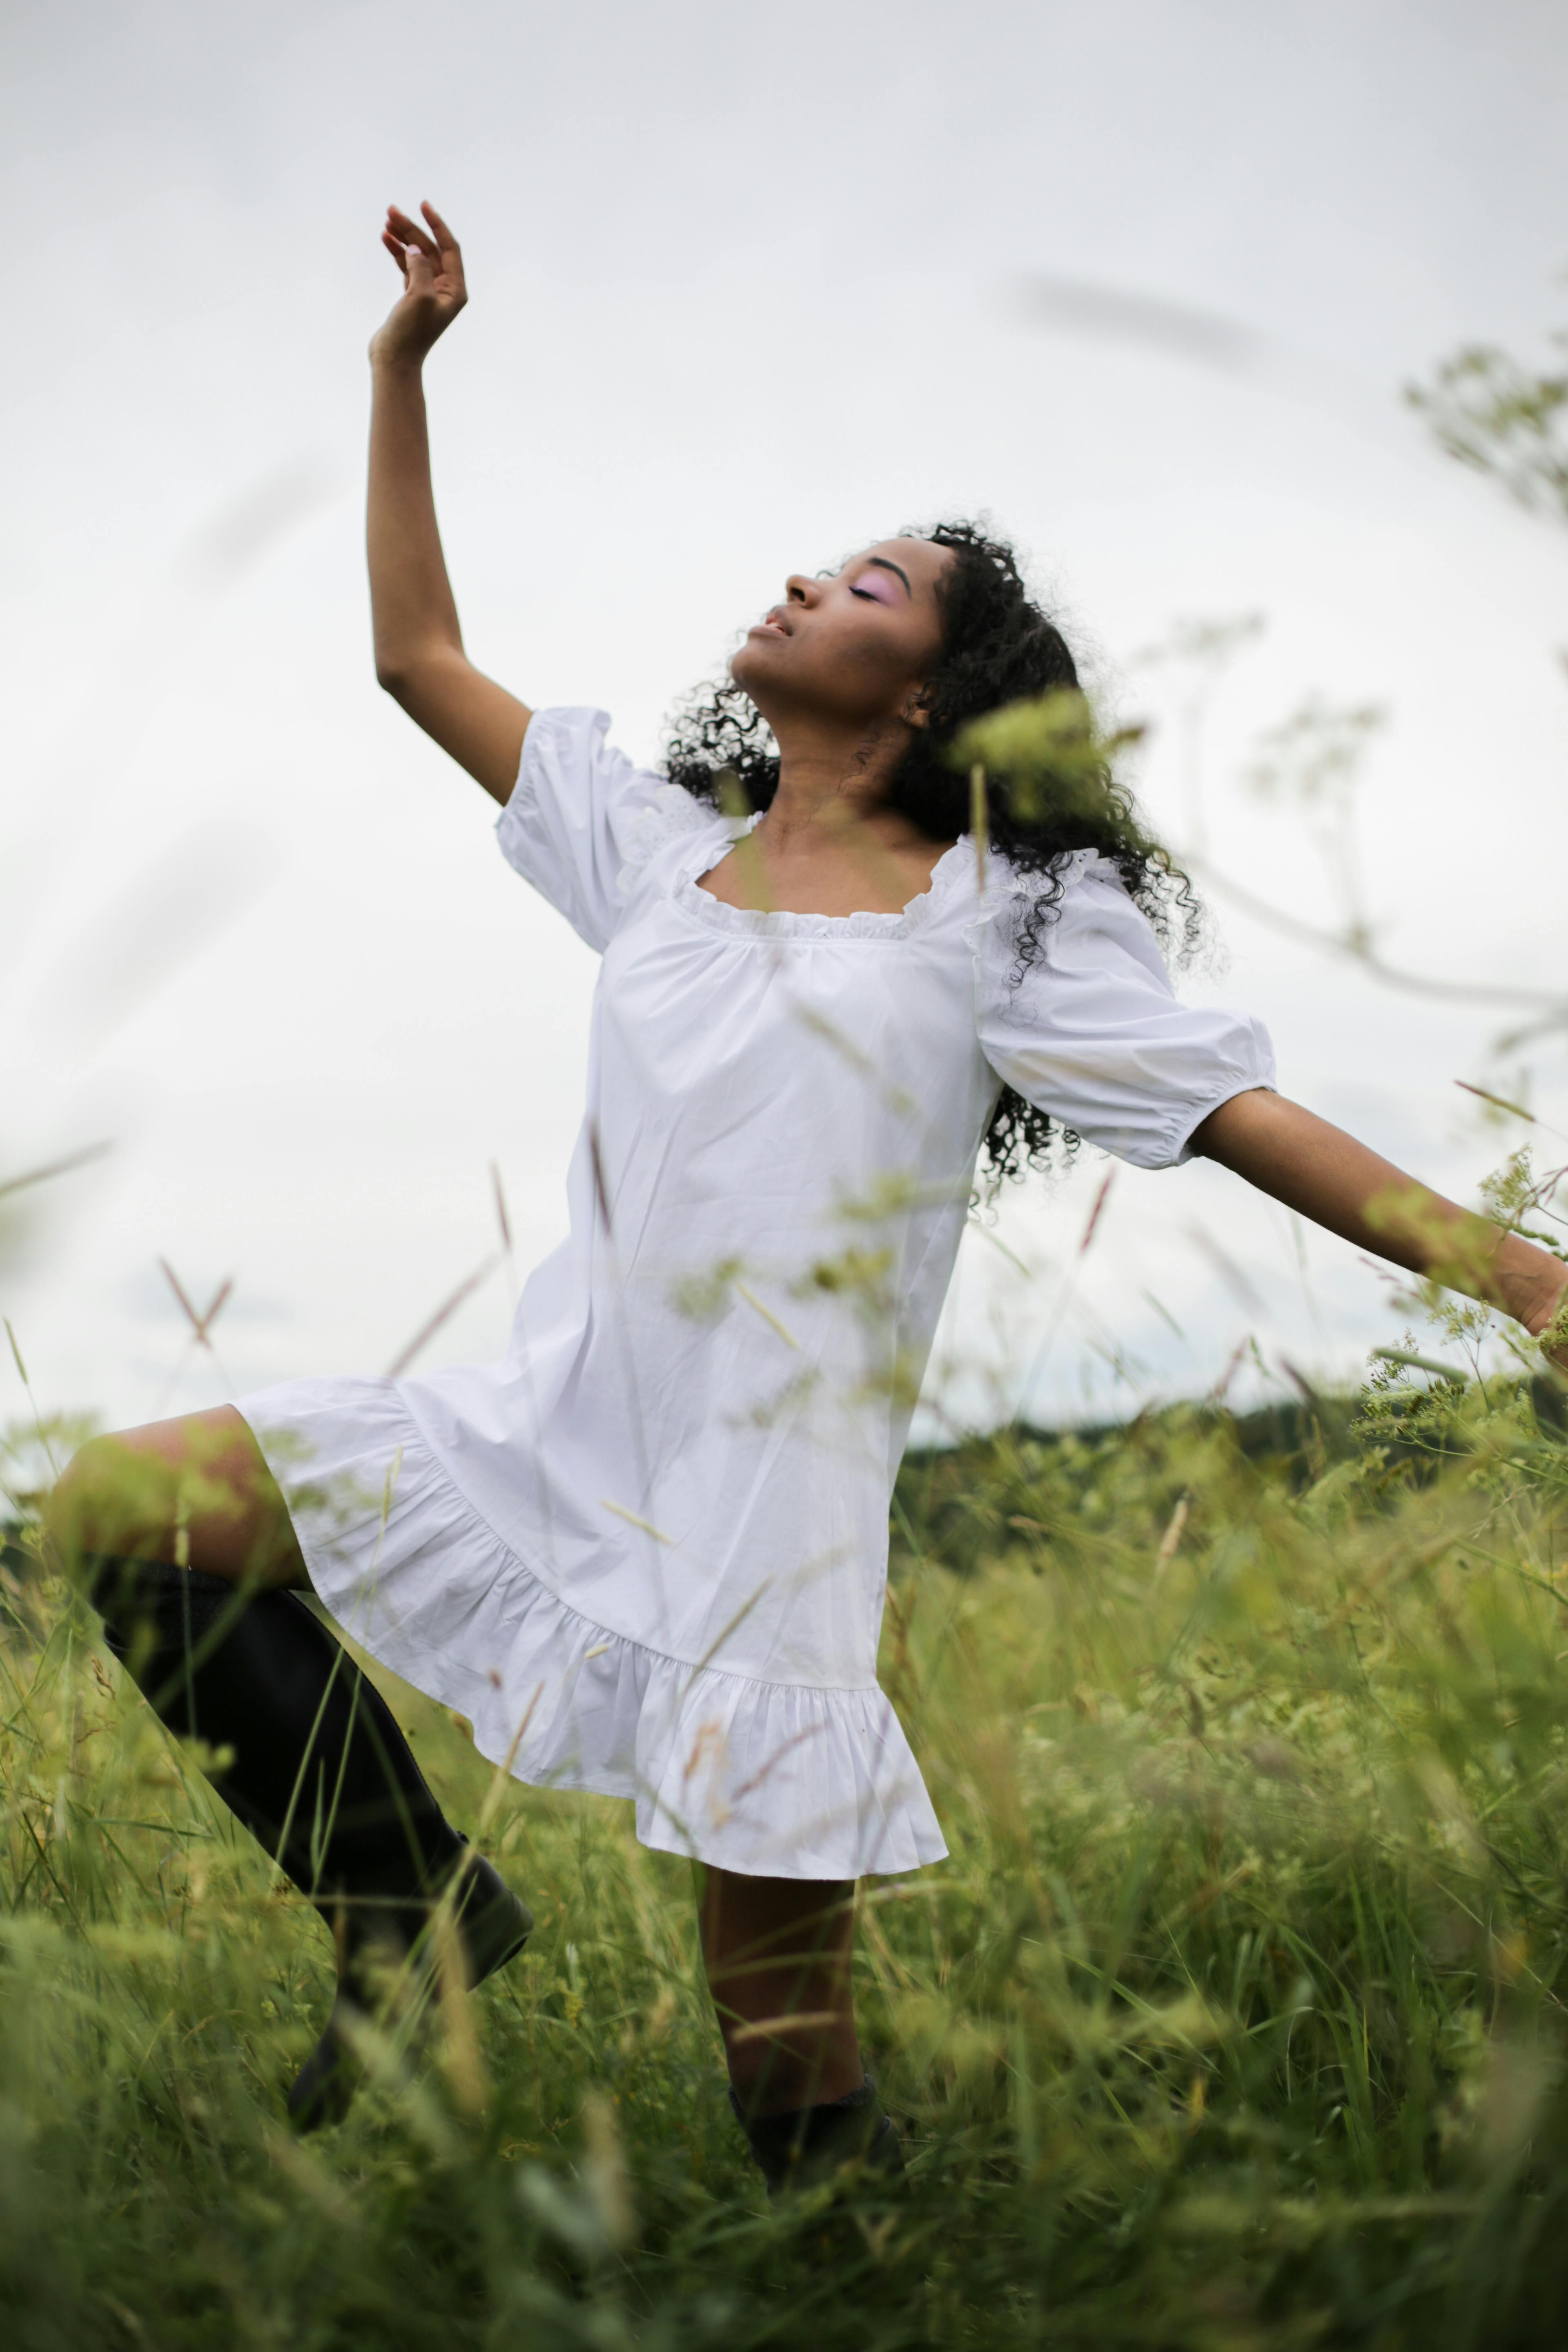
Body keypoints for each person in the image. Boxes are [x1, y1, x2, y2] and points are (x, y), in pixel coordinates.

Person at [49, 203, 1568, 2189]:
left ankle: (849, 2257)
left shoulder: (1006, 921)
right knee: (122, 1506)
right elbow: (416, 657)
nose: (799, 580)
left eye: (867, 582)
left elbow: (1237, 1112)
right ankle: (408, 1917)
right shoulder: (652, 854)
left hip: (764, 1533)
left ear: (927, 694)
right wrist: (397, 371)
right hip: (542, 1435)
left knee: (783, 2056)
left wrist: (1526, 1280)